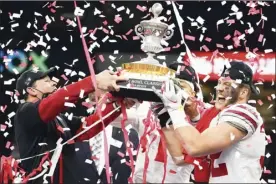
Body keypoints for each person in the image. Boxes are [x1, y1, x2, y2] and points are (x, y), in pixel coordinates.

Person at [13, 67, 135, 184]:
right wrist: (94, 81)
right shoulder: (25, 112)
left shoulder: (58, 118)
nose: (54, 84)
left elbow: (88, 127)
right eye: (47, 81)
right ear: (32, 90)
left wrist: (117, 105)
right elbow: (56, 100)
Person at [154, 61, 265, 183]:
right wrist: (164, 117)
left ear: (243, 92)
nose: (220, 88)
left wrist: (175, 108)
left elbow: (195, 147)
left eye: (227, 84)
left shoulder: (244, 111)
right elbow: (180, 158)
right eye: (219, 83)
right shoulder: (216, 118)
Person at [133, 62, 208, 183]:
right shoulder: (146, 108)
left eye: (180, 86)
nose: (173, 91)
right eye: (170, 85)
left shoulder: (203, 114)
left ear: (192, 93)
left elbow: (193, 150)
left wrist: (194, 117)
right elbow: (113, 120)